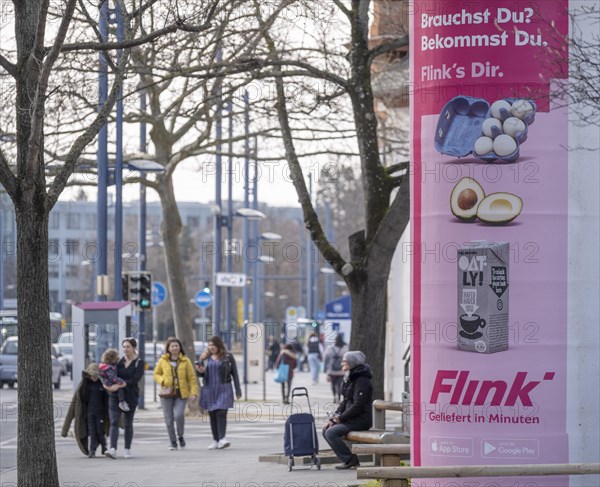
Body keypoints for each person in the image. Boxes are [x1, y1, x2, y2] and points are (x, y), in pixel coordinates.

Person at [322, 351, 373, 470]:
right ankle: (349, 459)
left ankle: (350, 460)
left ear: (352, 363)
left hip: (361, 420)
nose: (341, 364)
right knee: (326, 429)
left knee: (331, 433)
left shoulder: (362, 380)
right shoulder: (349, 377)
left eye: (344, 361)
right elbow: (345, 401)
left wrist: (341, 418)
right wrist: (335, 417)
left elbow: (358, 405)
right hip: (350, 418)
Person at [195, 336, 241, 450]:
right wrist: (200, 371)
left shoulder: (228, 357)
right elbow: (200, 374)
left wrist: (238, 389)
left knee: (221, 412)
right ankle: (215, 440)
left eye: (213, 345)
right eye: (209, 345)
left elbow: (234, 374)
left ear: (219, 345)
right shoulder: (205, 358)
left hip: (224, 388)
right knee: (212, 414)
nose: (211, 347)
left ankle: (222, 438)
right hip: (209, 388)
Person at [153, 337, 199, 450]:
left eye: (176, 346)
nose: (174, 348)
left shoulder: (185, 361)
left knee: (178, 415)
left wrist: (194, 393)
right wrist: (163, 380)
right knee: (168, 419)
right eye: (172, 346)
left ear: (180, 348)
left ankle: (180, 435)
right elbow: (156, 374)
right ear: (168, 348)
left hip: (181, 394)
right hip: (166, 394)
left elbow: (192, 378)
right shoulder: (163, 360)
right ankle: (173, 442)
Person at [104, 337, 145, 460]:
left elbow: (135, 379)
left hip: (130, 396)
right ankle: (113, 449)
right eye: (124, 347)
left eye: (128, 346)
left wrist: (121, 384)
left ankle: (127, 449)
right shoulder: (118, 362)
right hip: (115, 396)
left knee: (128, 423)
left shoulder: (139, 362)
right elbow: (108, 374)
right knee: (114, 422)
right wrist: (107, 385)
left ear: (133, 348)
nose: (125, 349)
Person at [61, 363, 109, 458]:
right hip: (89, 412)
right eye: (92, 375)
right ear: (88, 375)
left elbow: (109, 400)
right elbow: (73, 407)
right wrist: (64, 430)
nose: (94, 377)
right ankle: (92, 450)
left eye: (96, 375)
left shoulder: (103, 385)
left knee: (100, 431)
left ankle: (104, 447)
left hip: (100, 413)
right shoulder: (84, 386)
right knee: (91, 431)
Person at [323, 334, 348, 403]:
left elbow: (325, 358)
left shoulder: (330, 348)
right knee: (339, 385)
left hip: (331, 370)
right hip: (341, 370)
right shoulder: (345, 348)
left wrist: (325, 369)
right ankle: (339, 398)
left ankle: (334, 397)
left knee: (333, 384)